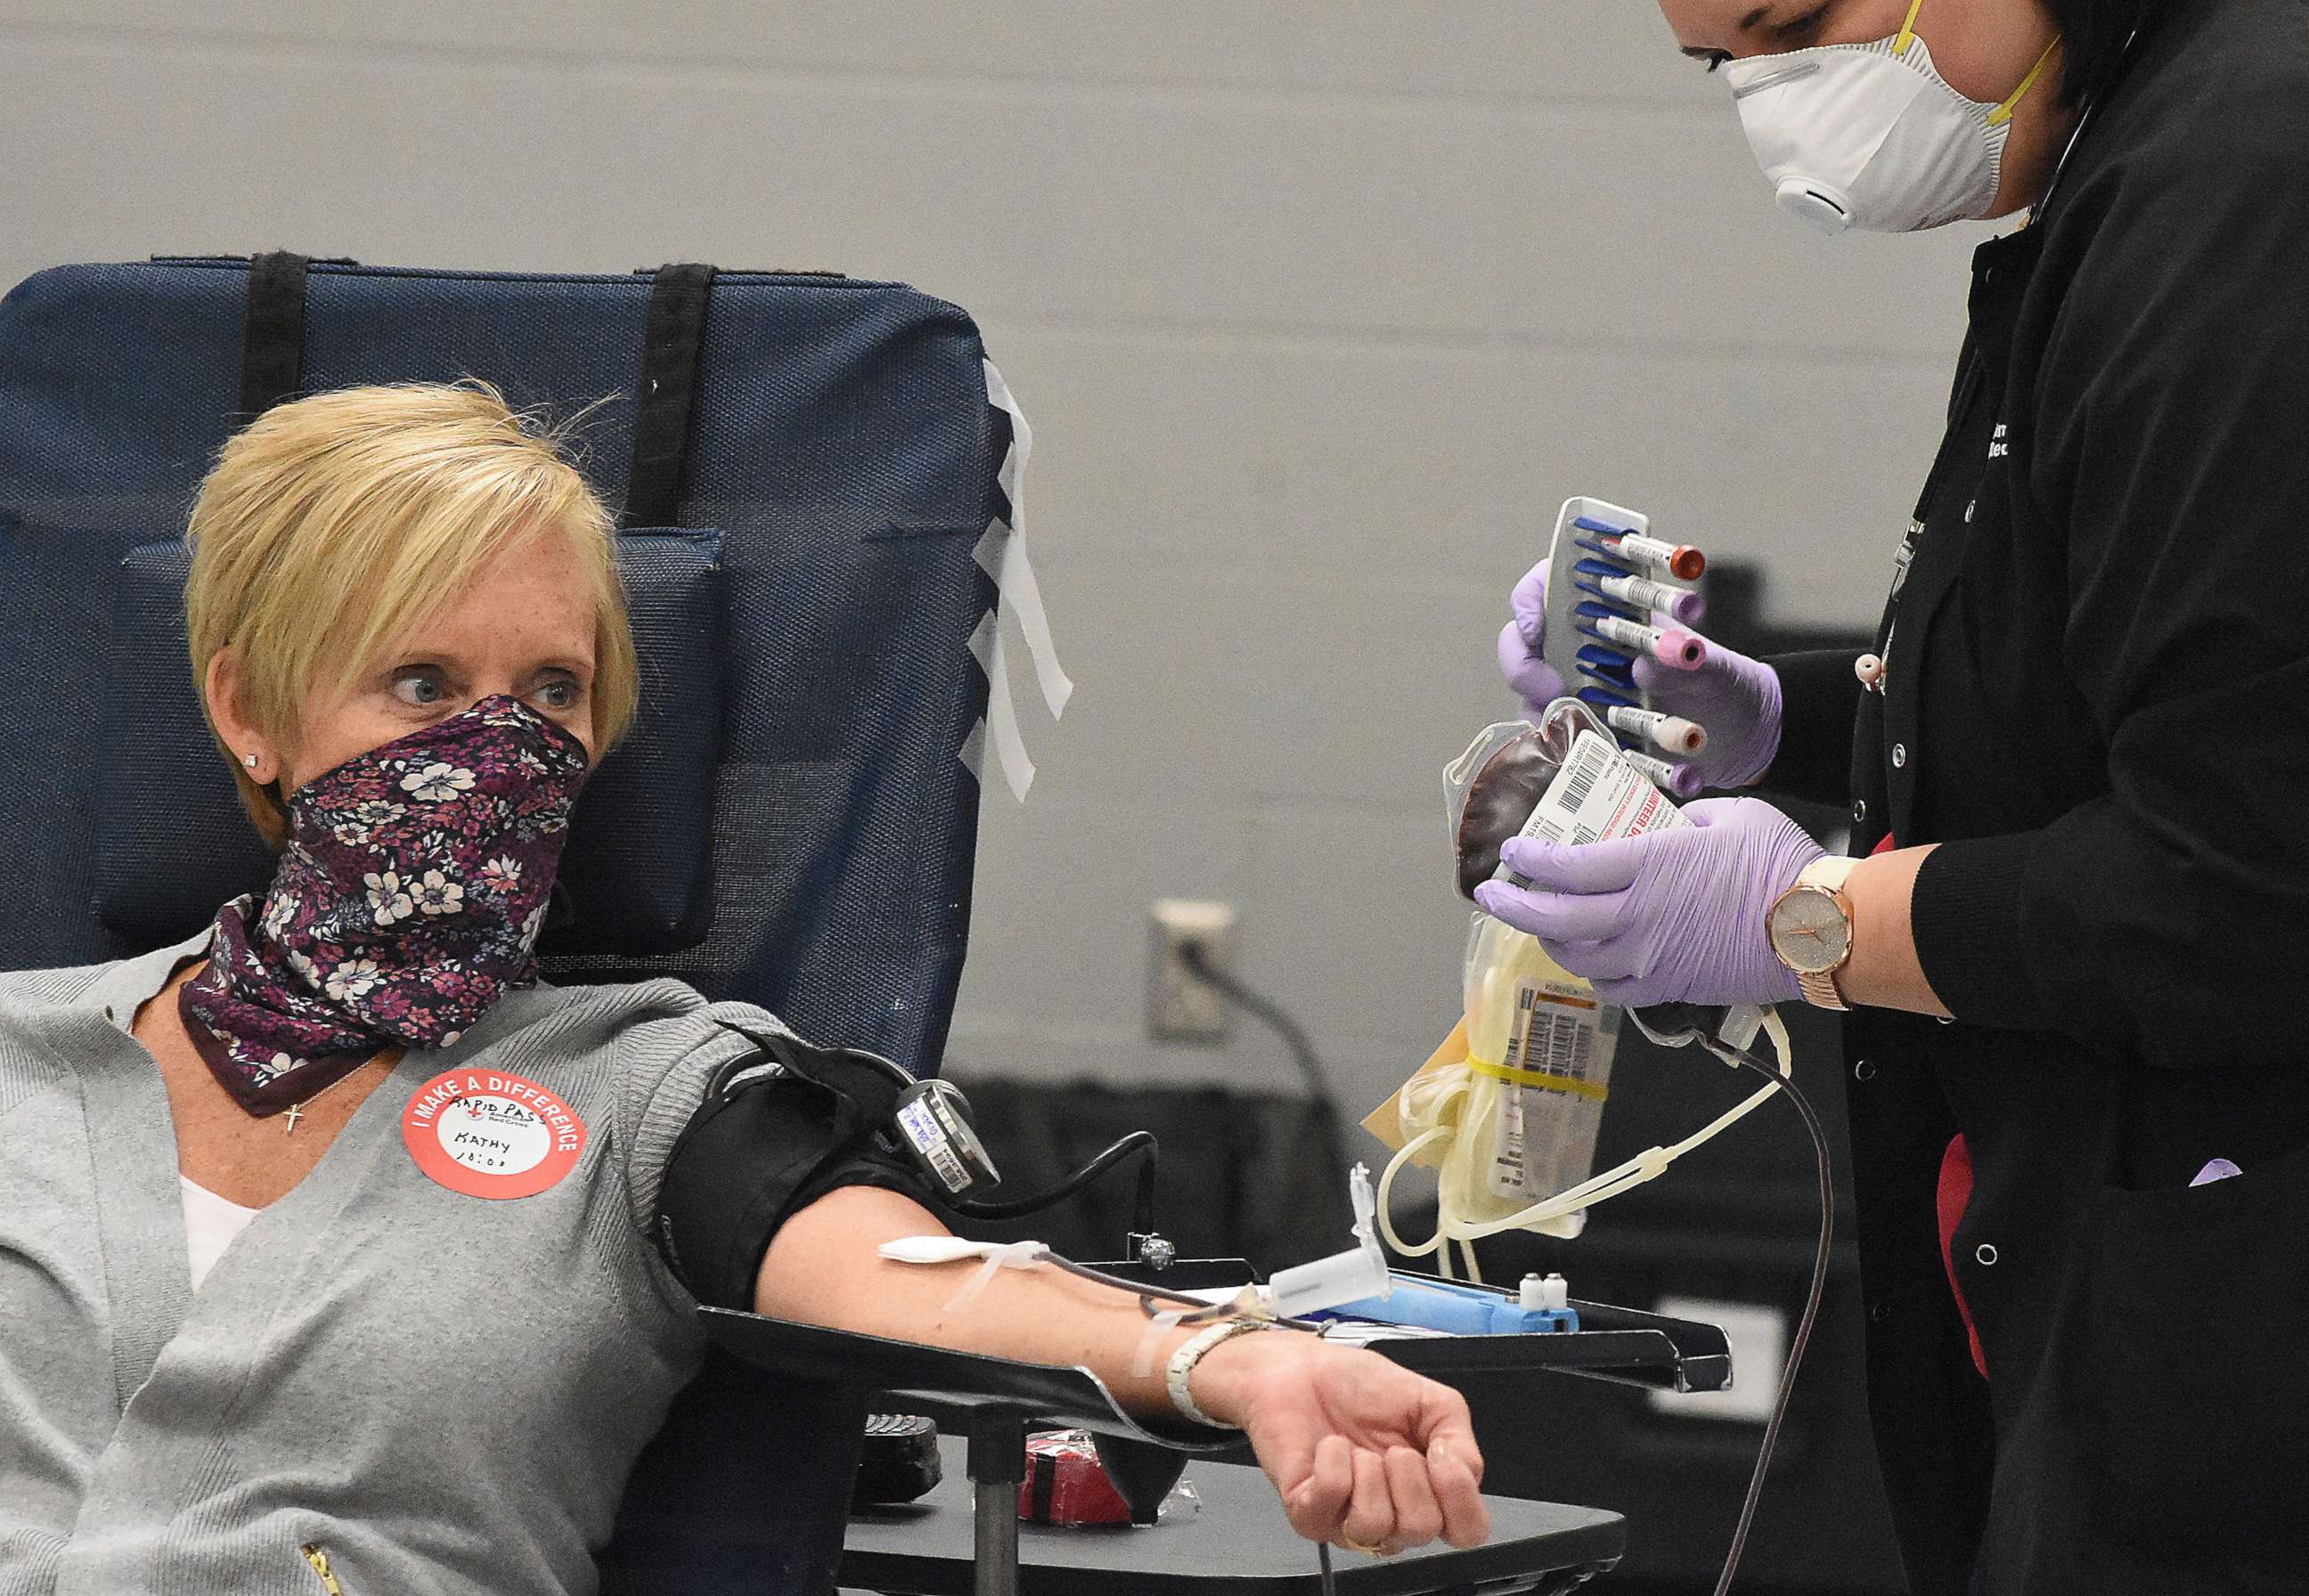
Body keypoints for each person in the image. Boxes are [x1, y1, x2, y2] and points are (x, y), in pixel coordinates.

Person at [0, 381, 1488, 1594]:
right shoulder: (21, 1051)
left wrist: (1233, 1358)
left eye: (551, 696)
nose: (501, 753)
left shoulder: (648, 1090)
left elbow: (911, 1277)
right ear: (247, 709)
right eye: (425, 686)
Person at [1483, 1, 2309, 1592]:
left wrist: (1810, 920)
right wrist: (1769, 719)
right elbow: (2124, 674)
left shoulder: (2245, 186)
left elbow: (2241, 885)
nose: (1782, 99)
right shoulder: (2120, 163)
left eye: (1801, 25)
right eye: (1724, 62)